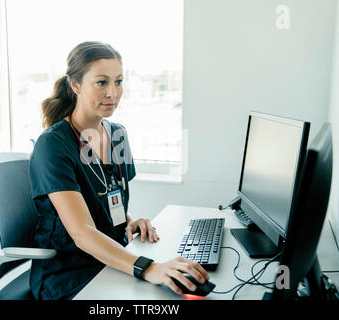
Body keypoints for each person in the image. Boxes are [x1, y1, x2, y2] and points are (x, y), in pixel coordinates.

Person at [29, 41, 209, 300]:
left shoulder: (118, 135)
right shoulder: (53, 145)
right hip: (70, 275)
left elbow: (108, 200)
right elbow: (82, 232)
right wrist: (149, 268)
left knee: (179, 294)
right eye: (101, 82)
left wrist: (130, 221)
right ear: (75, 85)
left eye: (119, 81)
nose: (113, 93)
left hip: (113, 258)